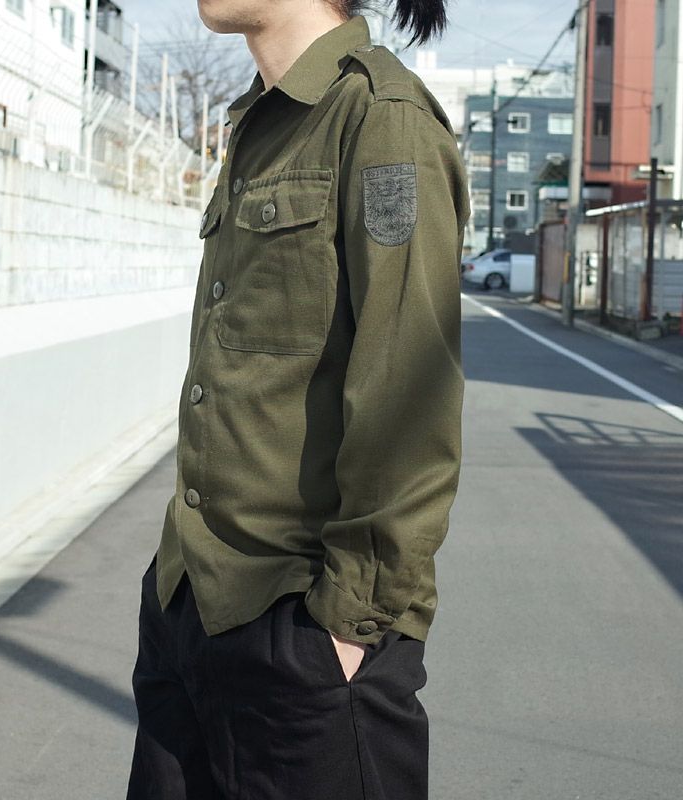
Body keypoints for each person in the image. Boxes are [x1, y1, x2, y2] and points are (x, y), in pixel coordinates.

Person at [127, 0, 469, 797]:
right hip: (192, 600)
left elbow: (408, 389)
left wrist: (347, 629)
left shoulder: (382, 120)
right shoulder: (260, 122)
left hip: (303, 627)